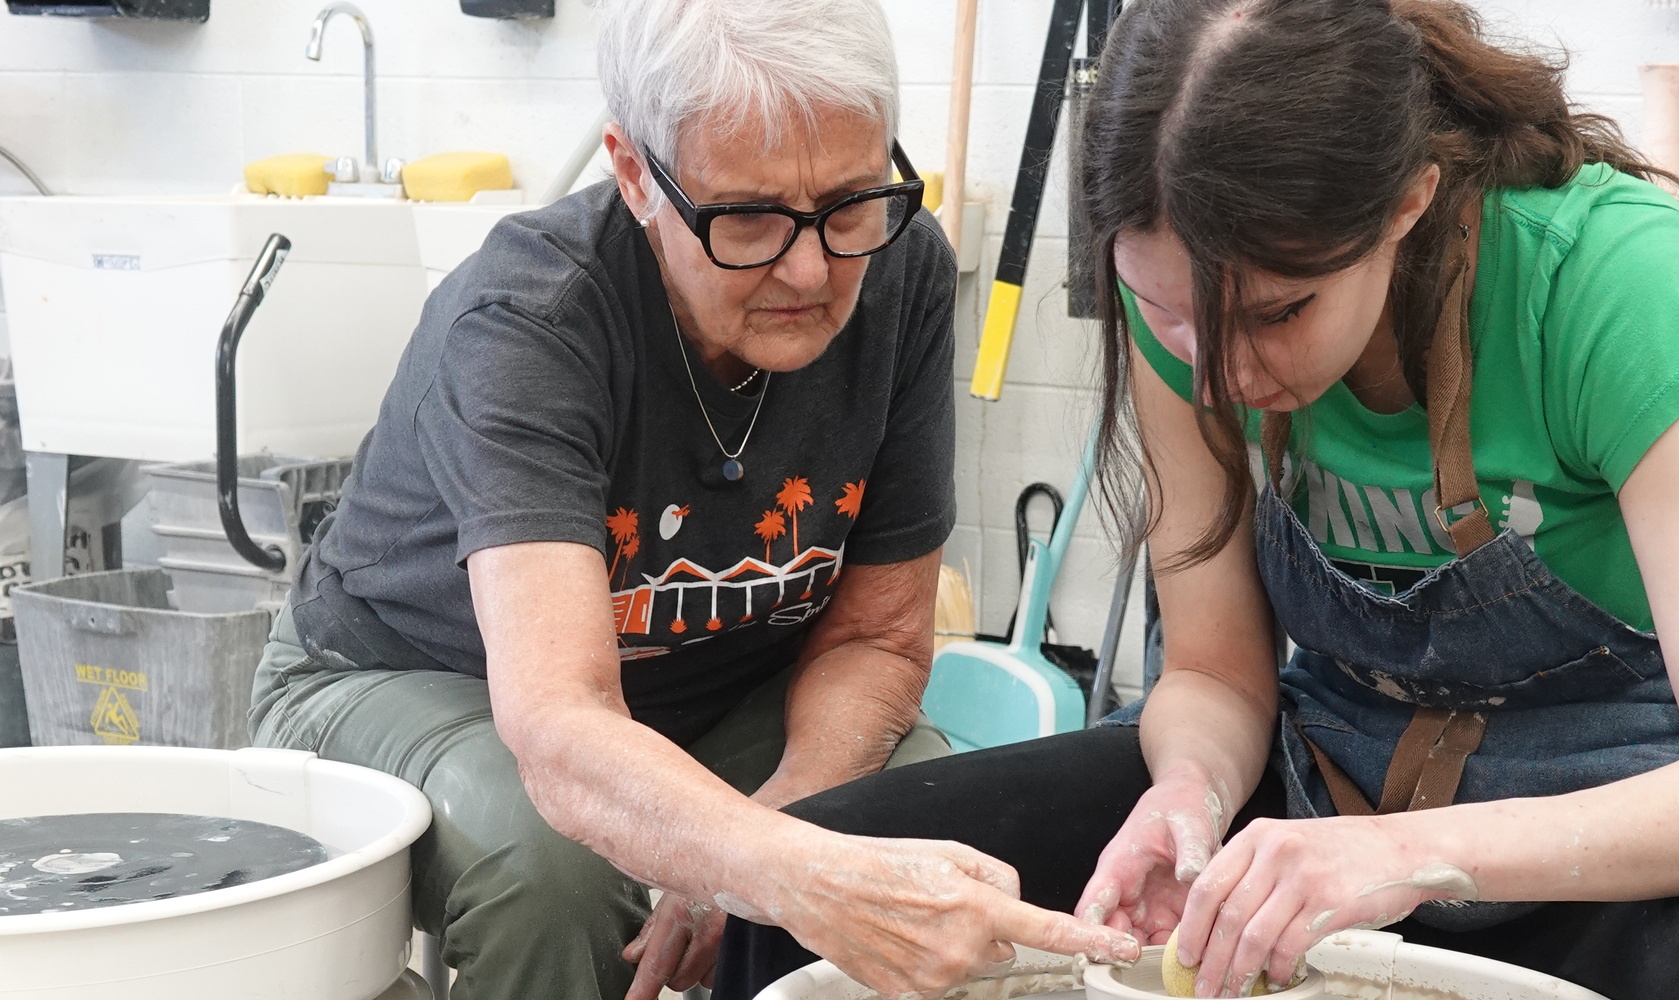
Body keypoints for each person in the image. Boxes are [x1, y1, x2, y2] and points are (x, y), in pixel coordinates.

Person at [712, 2, 1679, 999]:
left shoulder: (1611, 283)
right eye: (1166, 313)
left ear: (1407, 201)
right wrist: (1191, 794)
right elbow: (1214, 674)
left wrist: (1405, 856)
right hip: (1321, 780)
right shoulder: (1189, 317)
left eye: (1275, 313)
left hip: (1620, 821)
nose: (1215, 379)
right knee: (811, 881)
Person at [247, 1, 1137, 998]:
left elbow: (876, 641)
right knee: (556, 877)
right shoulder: (532, 315)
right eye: (748, 217)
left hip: (709, 688)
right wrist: (776, 867)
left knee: (905, 812)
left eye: (848, 203)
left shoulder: (899, 268)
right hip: (409, 677)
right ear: (634, 173)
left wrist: (781, 829)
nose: (811, 268)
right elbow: (562, 723)